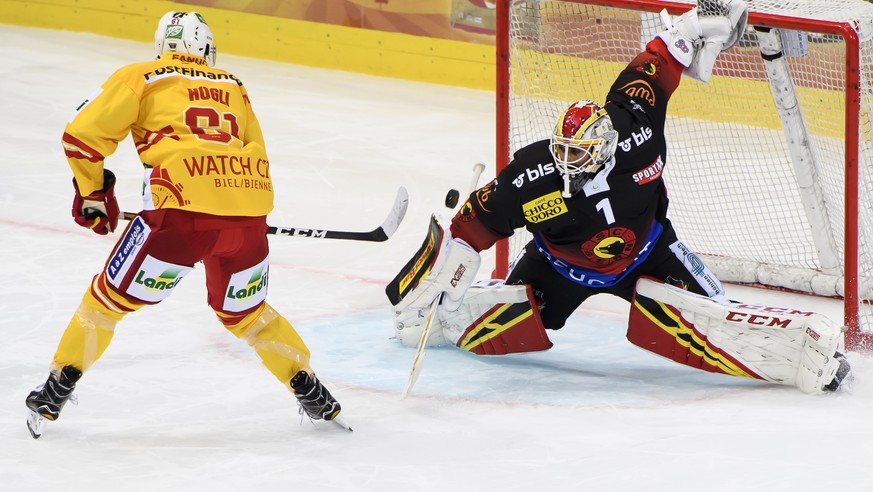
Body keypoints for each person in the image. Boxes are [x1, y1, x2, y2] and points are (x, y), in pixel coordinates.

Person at [386, 0, 852, 394]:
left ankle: (804, 360)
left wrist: (688, 29)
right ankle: (425, 321)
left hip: (650, 252)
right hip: (557, 266)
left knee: (713, 316)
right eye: (563, 150)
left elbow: (659, 61)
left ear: (605, 146)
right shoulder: (532, 175)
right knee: (508, 319)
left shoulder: (636, 127)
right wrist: (456, 256)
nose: (568, 160)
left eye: (580, 152)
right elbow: (476, 222)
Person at [26, 11, 346, 438]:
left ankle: (56, 389)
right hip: (247, 216)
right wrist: (238, 208)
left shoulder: (141, 76)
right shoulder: (233, 84)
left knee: (104, 305)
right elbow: (257, 150)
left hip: (177, 218)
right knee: (247, 315)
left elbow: (80, 139)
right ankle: (306, 383)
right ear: (207, 47)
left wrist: (92, 193)